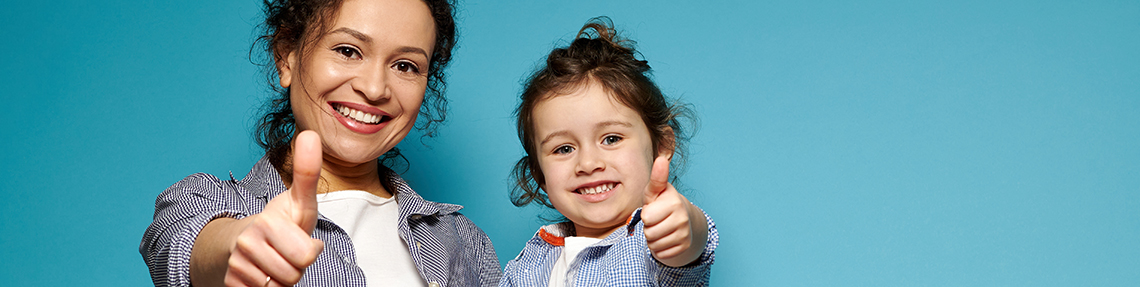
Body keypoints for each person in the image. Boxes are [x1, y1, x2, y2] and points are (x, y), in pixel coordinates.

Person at [139, 0, 501, 286]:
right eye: (348, 50)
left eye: (405, 66)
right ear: (287, 56)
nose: (374, 88)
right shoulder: (205, 202)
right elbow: (186, 249)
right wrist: (239, 244)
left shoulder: (466, 242)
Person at [499, 17, 718, 287]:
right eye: (564, 148)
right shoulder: (528, 265)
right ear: (540, 175)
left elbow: (689, 246)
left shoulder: (651, 246)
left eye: (611, 138)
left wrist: (684, 227)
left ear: (661, 147)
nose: (588, 163)